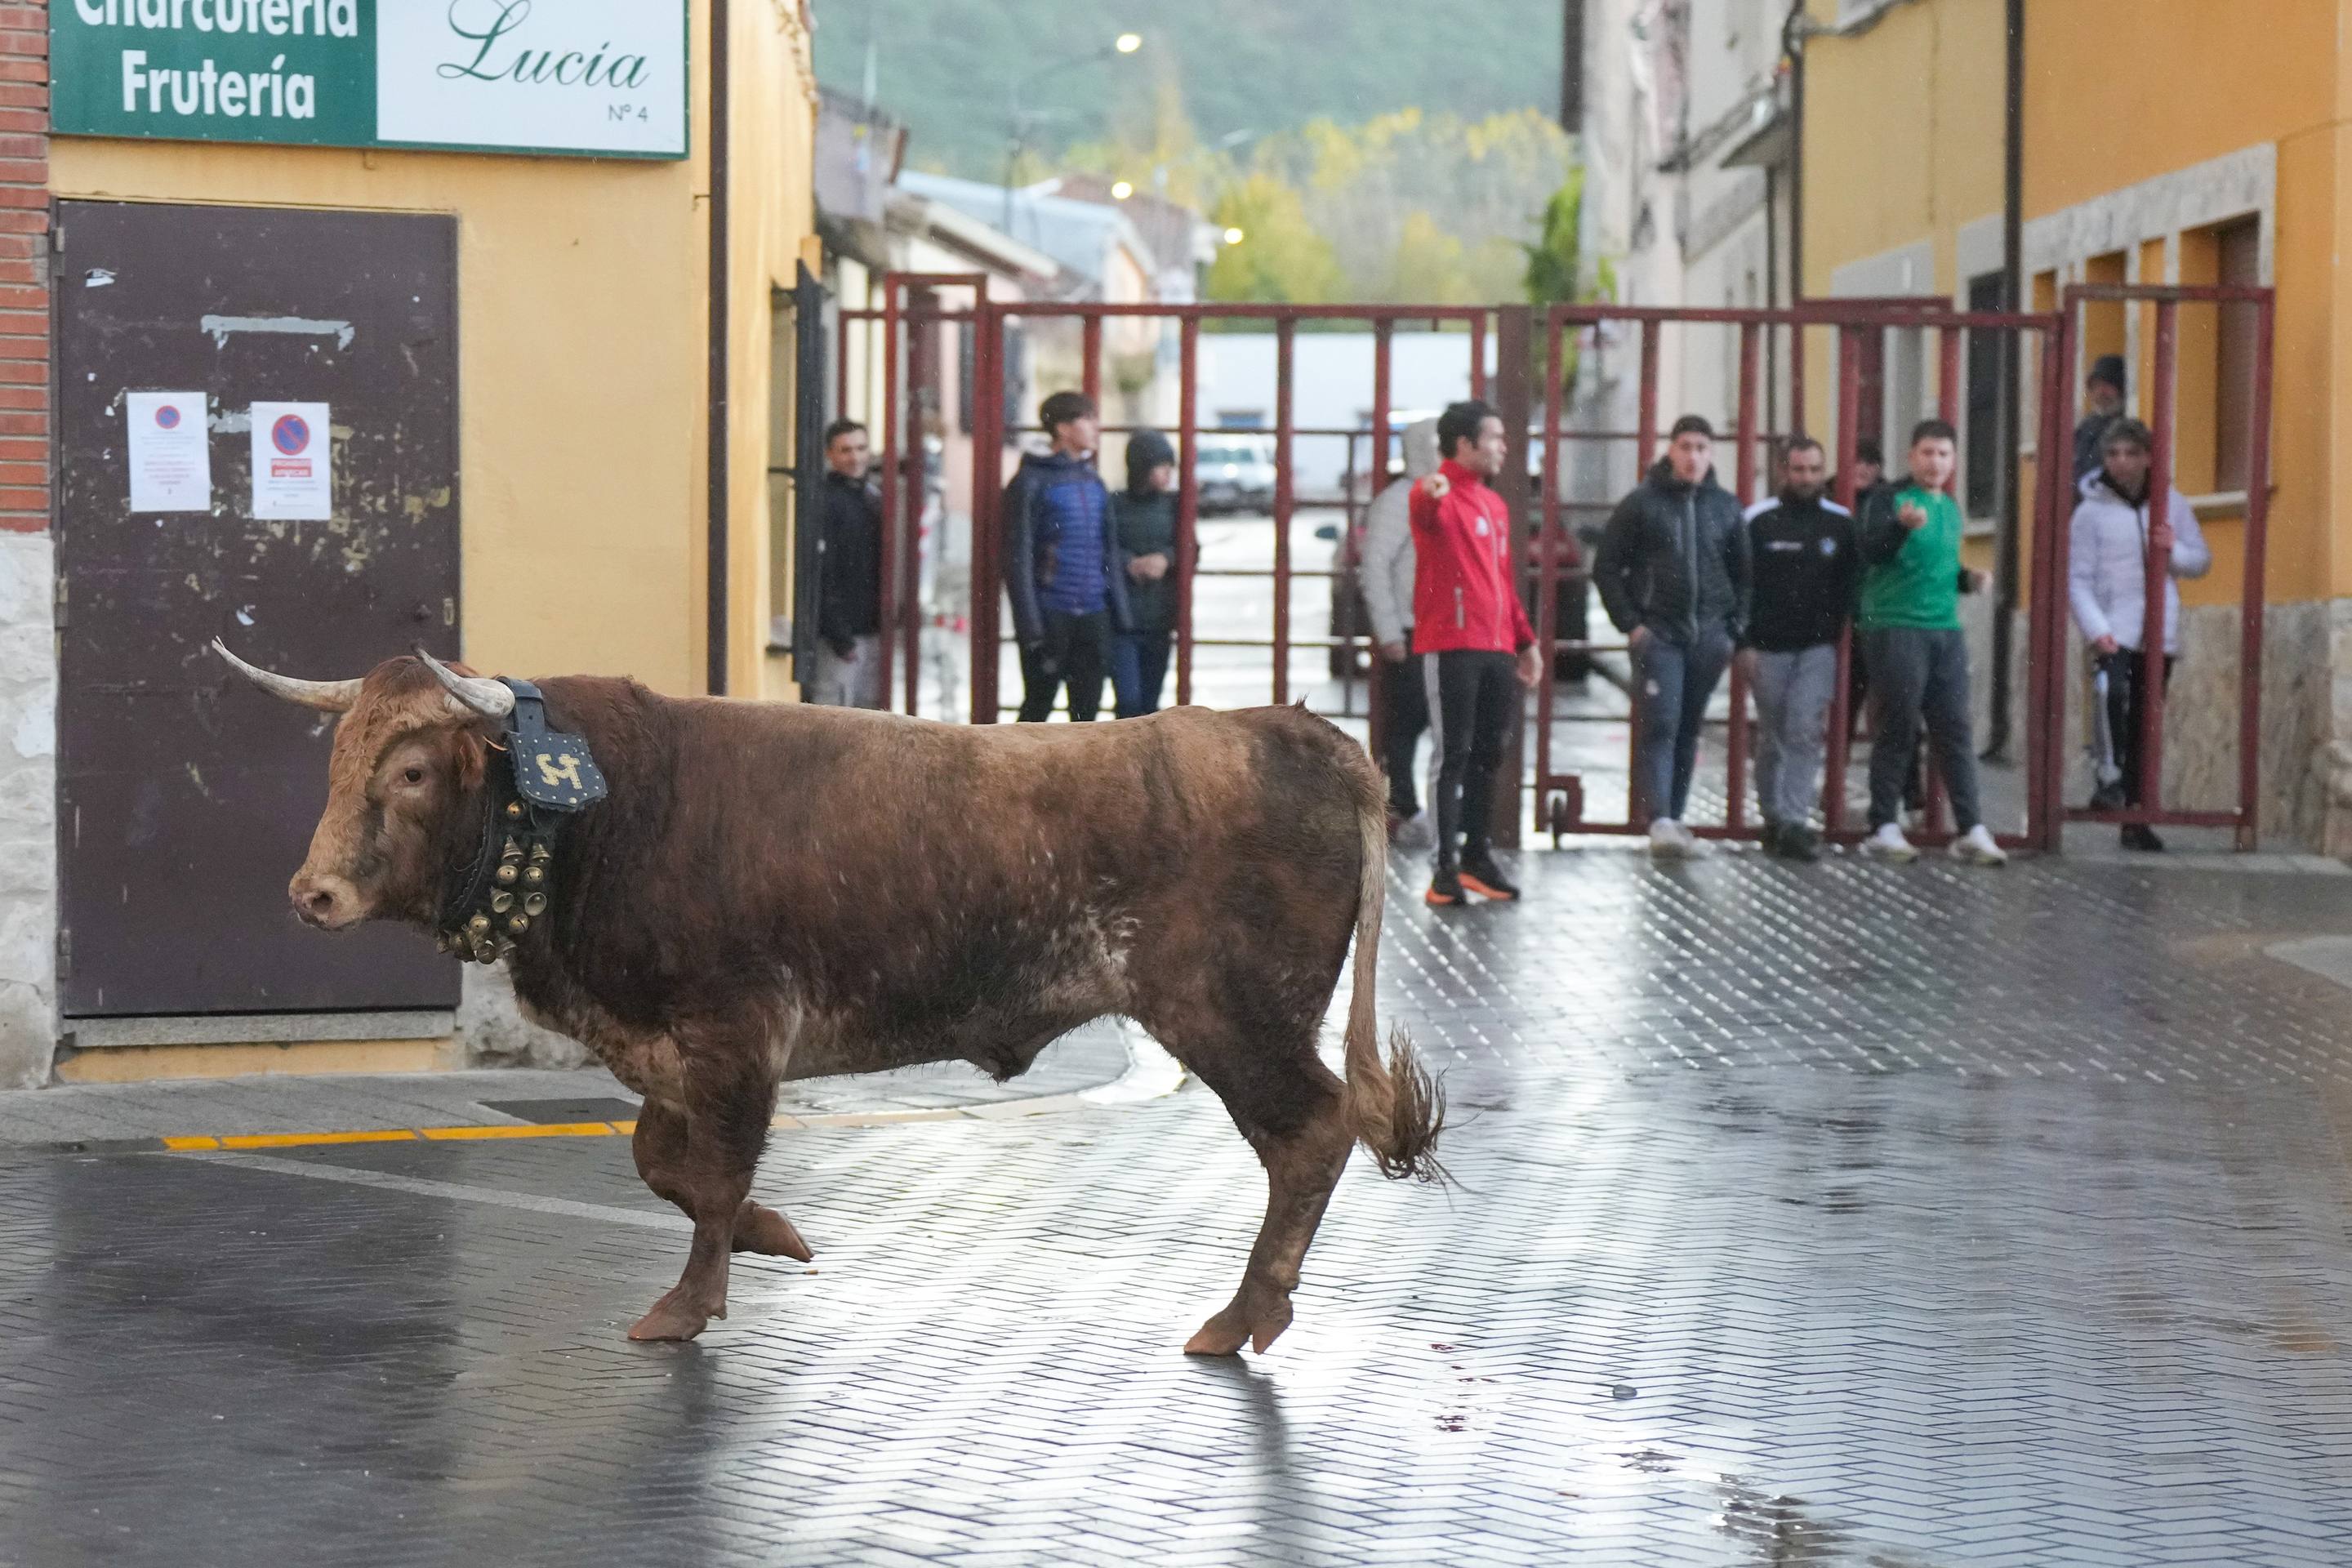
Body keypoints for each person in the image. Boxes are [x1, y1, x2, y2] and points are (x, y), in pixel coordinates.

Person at [1594, 413, 1751, 858]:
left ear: (1711, 453)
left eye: (1702, 447)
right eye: (1685, 446)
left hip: (1709, 637)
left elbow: (1744, 575)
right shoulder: (1641, 504)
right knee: (1662, 722)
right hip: (1659, 634)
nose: (1693, 456)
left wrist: (1732, 629)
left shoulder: (1726, 507)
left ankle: (1674, 818)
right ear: (1670, 450)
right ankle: (1661, 819)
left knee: (1688, 726)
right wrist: (1632, 624)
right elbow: (1607, 566)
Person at [1855, 419, 2006, 864]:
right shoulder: (1889, 499)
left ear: (1953, 461)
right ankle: (1884, 824)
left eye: (1943, 454)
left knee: (1955, 727)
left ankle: (1972, 828)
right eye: (1926, 453)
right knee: (1899, 724)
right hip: (1894, 624)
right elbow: (1872, 551)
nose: (1935, 462)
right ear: (1910, 457)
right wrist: (1900, 526)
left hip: (1944, 628)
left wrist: (1967, 578)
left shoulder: (1951, 507)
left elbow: (1939, 565)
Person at [1410, 399, 1539, 906]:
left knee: (1491, 752)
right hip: (1452, 643)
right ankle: (1443, 867)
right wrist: (1430, 490)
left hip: (1497, 646)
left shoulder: (1495, 504)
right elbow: (1425, 506)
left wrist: (1524, 641)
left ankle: (1476, 857)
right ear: (1464, 445)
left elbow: (1503, 584)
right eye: (1494, 437)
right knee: (1453, 753)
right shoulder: (1437, 494)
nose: (1503, 446)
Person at [2067, 416, 2212, 851]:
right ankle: (2109, 779)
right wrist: (2097, 628)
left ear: (2148, 457)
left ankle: (2136, 817)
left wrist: (2174, 550)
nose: (2122, 462)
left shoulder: (2172, 505)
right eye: (2113, 454)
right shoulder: (2089, 513)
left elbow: (2201, 561)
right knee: (2113, 696)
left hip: (2159, 632)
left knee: (2145, 725)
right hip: (2115, 628)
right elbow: (2078, 579)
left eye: (2131, 453)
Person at [1739, 437, 1858, 862]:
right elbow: (1741, 585)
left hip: (1818, 648)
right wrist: (1744, 643)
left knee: (1805, 728)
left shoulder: (1842, 524)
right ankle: (1772, 815)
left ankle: (1795, 820)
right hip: (1766, 648)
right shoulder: (1757, 520)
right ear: (1782, 472)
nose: (1807, 478)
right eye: (1799, 470)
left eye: (1814, 470)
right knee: (1773, 732)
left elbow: (1852, 582)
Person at [1004, 391, 1131, 723]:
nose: (1095, 428)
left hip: (1094, 613)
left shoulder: (1094, 481)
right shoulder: (1030, 481)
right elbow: (1018, 557)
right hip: (1051, 614)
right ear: (1062, 428)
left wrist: (1119, 614)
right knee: (1037, 708)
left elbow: (1109, 549)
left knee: (1087, 716)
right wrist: (1031, 625)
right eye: (1087, 419)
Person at [1360, 416, 1443, 846]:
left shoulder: (1445, 494)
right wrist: (1389, 631)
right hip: (1412, 631)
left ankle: (1433, 810)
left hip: (1444, 630)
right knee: (1407, 725)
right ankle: (1406, 810)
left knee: (1443, 725)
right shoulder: (1399, 500)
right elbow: (1374, 565)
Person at [807, 418, 886, 709]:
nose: (856, 457)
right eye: (846, 450)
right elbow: (821, 572)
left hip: (870, 630)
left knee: (867, 719)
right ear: (830, 454)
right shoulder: (826, 501)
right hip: (838, 637)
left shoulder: (871, 496)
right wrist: (839, 634)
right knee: (834, 717)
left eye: (861, 448)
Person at [1110, 430, 1178, 719]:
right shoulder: (1113, 504)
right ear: (1142, 467)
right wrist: (1128, 563)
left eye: (1170, 467)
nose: (1168, 475)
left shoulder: (1173, 506)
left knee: (1150, 704)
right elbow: (1102, 546)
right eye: (1161, 467)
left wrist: (1166, 558)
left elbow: (1189, 546)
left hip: (1160, 618)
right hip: (1121, 618)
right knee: (1128, 702)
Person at [2073, 354, 2127, 481]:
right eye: (2096, 386)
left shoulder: (2128, 427)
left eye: (2108, 385)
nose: (2101, 392)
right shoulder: (2086, 426)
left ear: (2122, 389)